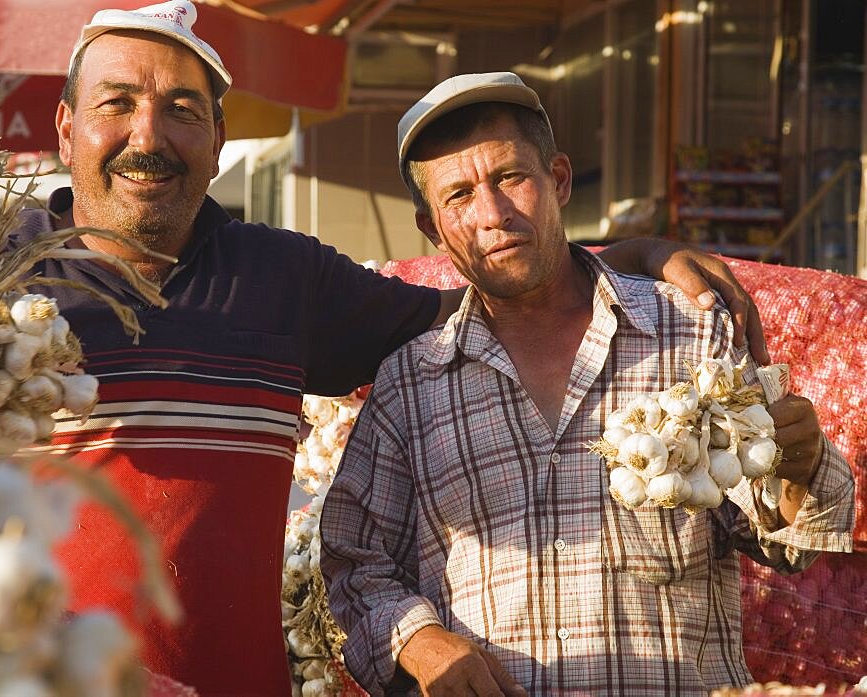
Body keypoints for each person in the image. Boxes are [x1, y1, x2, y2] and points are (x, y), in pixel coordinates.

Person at [0, 3, 768, 692]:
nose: (150, 135)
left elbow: (491, 307)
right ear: (67, 130)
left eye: (183, 109)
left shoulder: (283, 277)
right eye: (118, 104)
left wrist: (629, 258)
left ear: (218, 140)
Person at [319, 72, 854, 697]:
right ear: (433, 230)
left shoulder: (687, 334)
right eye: (459, 196)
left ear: (560, 180)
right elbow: (354, 562)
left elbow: (786, 542)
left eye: (512, 178)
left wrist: (802, 464)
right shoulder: (414, 382)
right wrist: (419, 641)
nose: (493, 214)